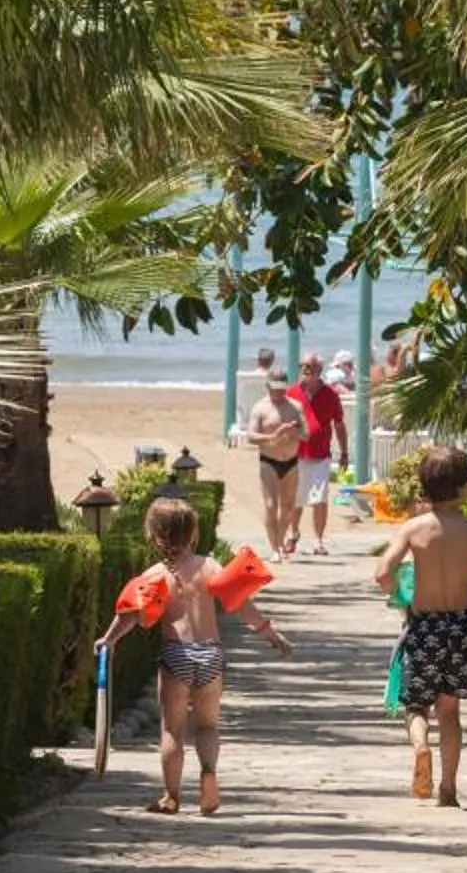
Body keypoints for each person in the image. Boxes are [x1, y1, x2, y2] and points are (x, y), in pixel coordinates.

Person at [96, 494, 290, 817]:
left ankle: (171, 796)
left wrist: (109, 640)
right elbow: (241, 604)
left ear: (155, 536)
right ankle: (209, 773)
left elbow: (130, 613)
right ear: (195, 534)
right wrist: (270, 633)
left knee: (172, 729)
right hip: (211, 654)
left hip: (177, 654)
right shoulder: (210, 566)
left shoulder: (155, 575)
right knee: (207, 726)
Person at [374, 443, 467, 807]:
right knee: (450, 711)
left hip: (424, 626)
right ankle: (449, 788)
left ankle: (421, 747)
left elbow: (382, 573)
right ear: (462, 488)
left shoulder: (413, 528)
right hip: (461, 625)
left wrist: (400, 596)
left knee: (416, 705)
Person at [292, 348, 350, 558]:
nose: (306, 370)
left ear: (320, 369)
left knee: (319, 498)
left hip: (320, 456)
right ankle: (293, 533)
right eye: (303, 366)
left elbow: (339, 425)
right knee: (296, 499)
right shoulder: (292, 393)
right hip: (295, 455)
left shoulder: (330, 394)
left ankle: (318, 540)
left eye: (310, 366)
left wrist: (344, 452)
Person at [244, 363, 305, 556]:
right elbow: (251, 436)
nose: (278, 394)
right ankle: (273, 547)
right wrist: (273, 436)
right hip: (269, 460)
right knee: (271, 505)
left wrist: (294, 430)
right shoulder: (260, 408)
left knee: (288, 506)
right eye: (274, 390)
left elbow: (307, 434)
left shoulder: (295, 407)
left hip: (291, 461)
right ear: (267, 387)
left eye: (281, 390)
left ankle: (279, 541)